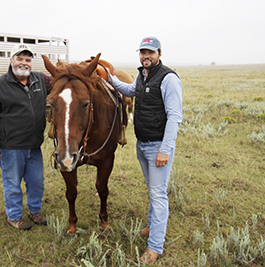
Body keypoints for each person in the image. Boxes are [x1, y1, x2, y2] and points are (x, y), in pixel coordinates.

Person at [110, 37, 183, 264]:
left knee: (158, 194)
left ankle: (155, 247)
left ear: (159, 53)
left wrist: (165, 149)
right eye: (142, 52)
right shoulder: (142, 76)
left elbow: (175, 117)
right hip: (142, 144)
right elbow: (128, 90)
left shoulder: (168, 78)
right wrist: (107, 77)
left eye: (150, 52)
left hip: (157, 146)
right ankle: (152, 227)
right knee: (153, 190)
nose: (146, 56)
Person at [0, 44, 52, 230]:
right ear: (11, 60)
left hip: (34, 145)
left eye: (28, 60)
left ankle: (34, 211)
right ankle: (14, 217)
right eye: (19, 59)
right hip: (10, 147)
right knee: (13, 184)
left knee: (36, 182)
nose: (24, 63)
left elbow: (62, 83)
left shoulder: (40, 80)